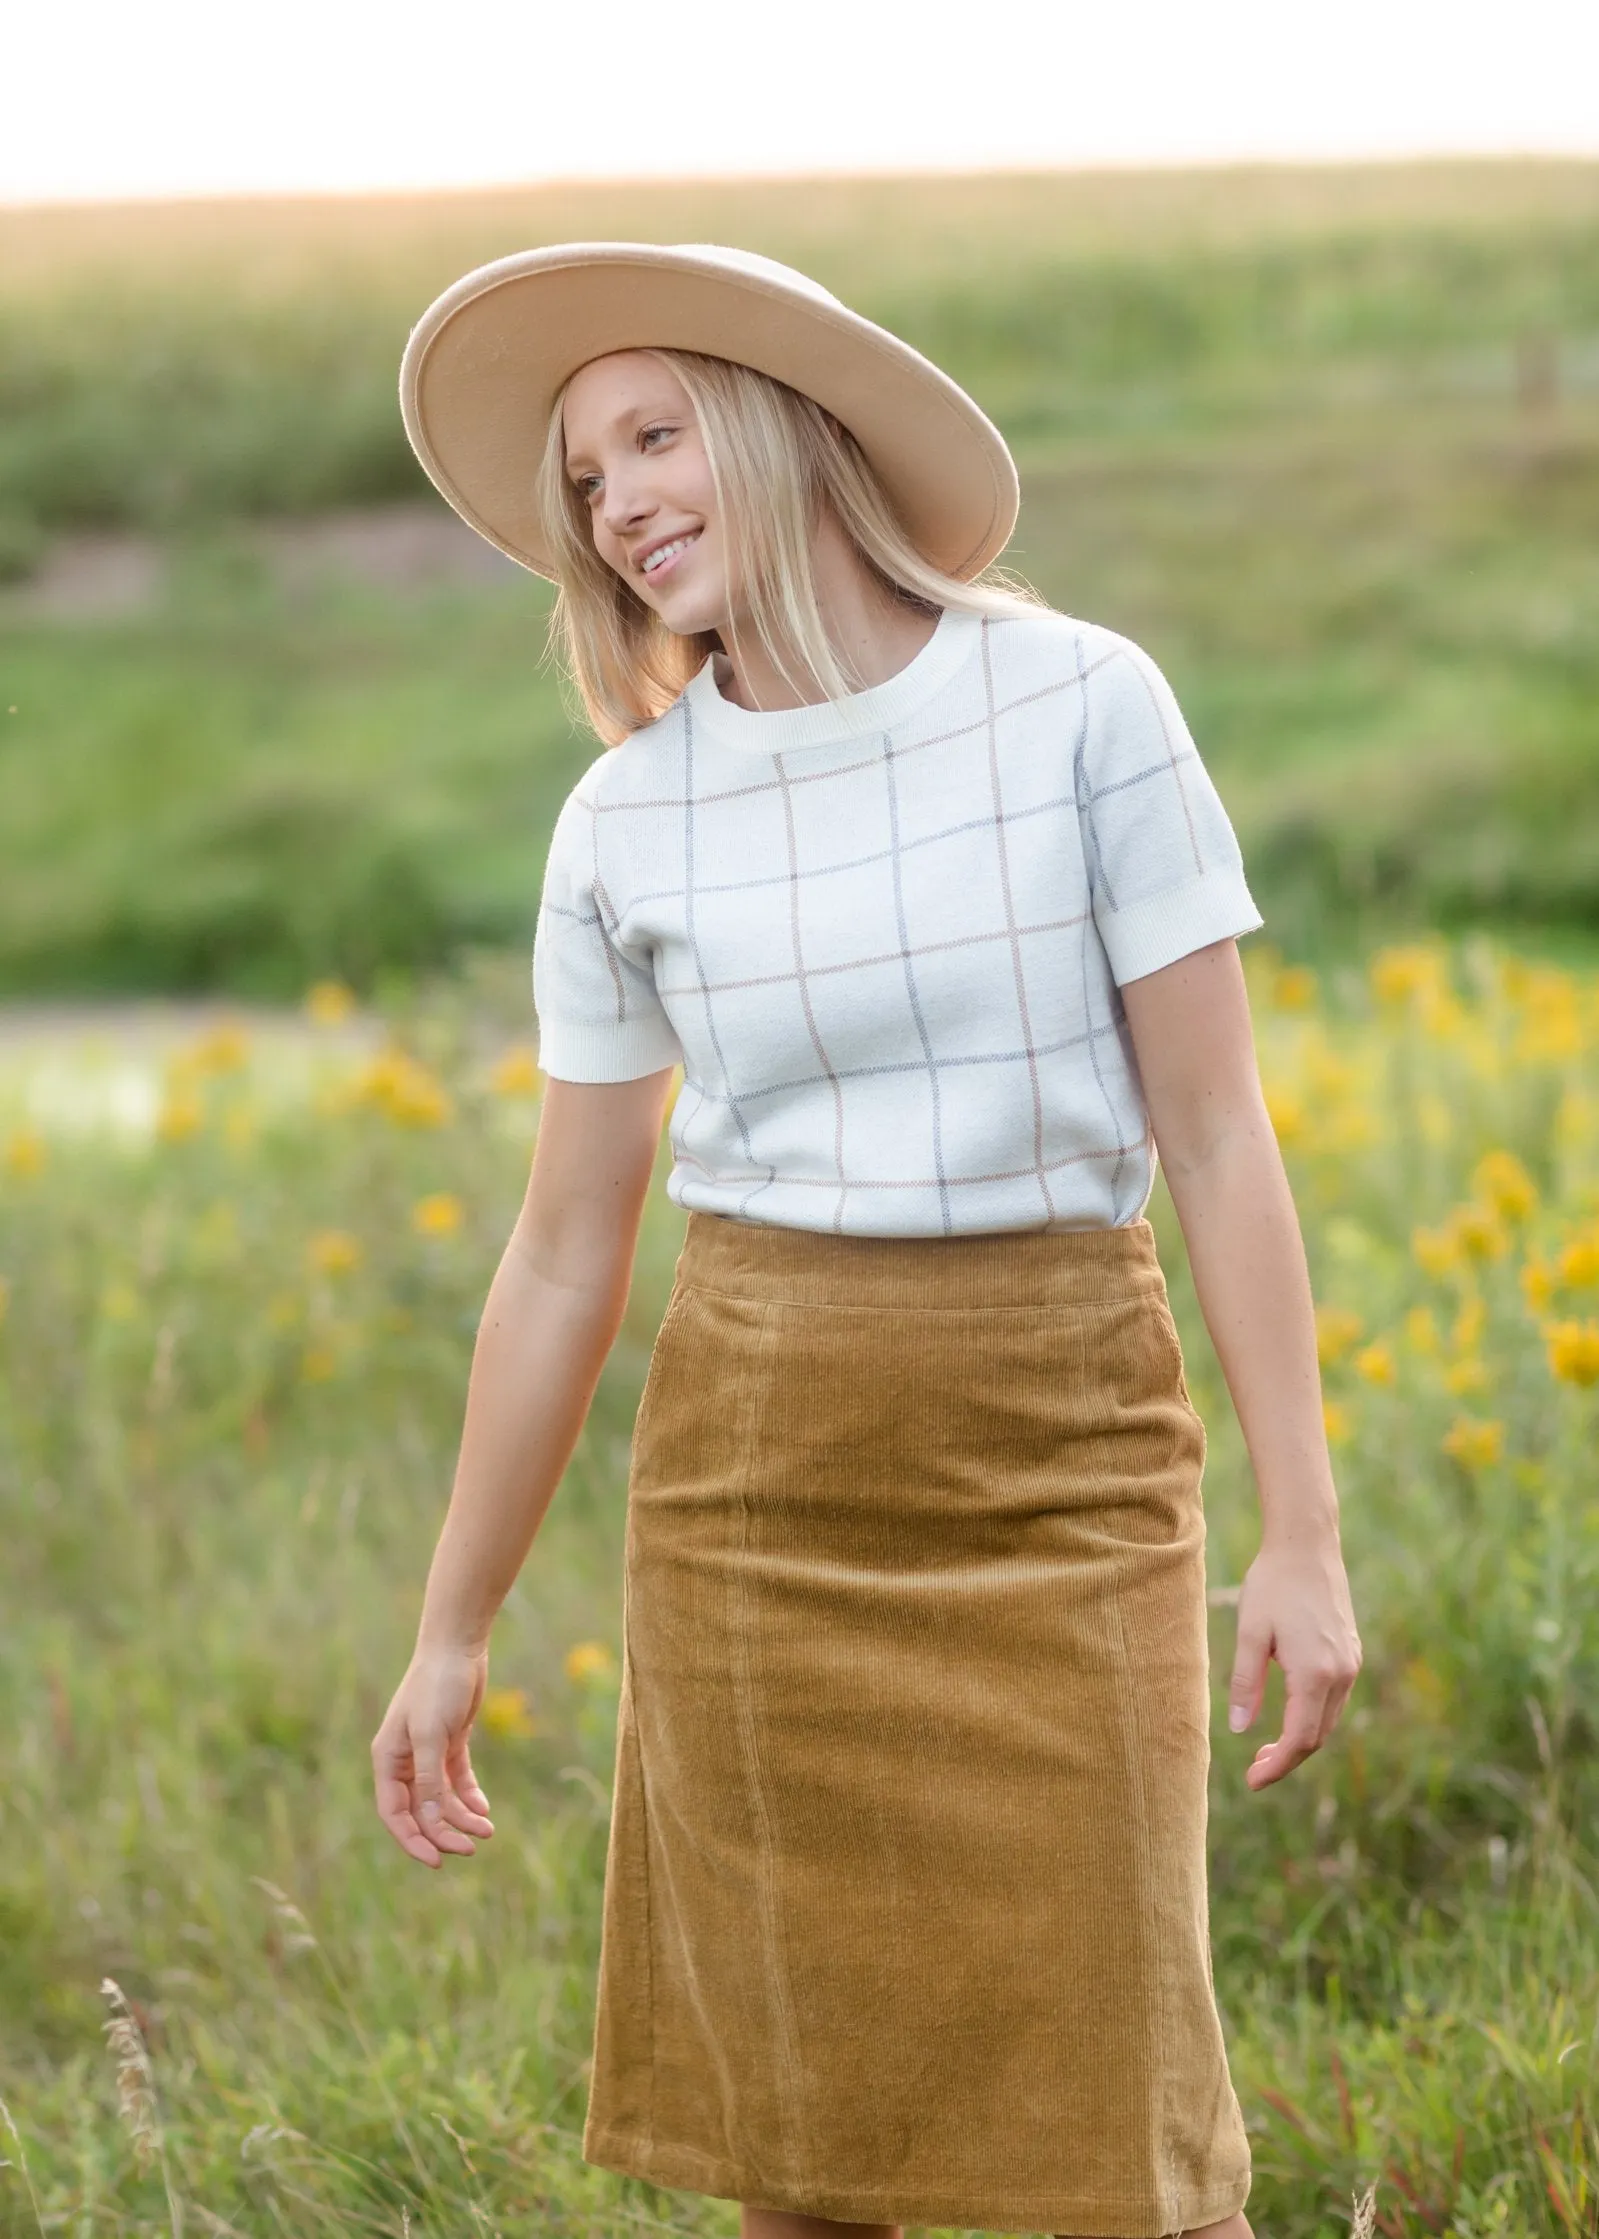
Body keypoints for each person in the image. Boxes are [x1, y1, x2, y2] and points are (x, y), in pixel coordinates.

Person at [372, 242, 1363, 2239]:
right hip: (755, 1494)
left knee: (1133, 2139)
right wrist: (452, 1625)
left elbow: (1213, 1134)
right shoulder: (623, 824)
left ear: (778, 422)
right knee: (800, 2152)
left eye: (654, 433)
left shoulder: (1083, 703)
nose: (621, 497)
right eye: (584, 479)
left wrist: (1302, 1529)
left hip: (1061, 1460)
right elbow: (568, 1250)